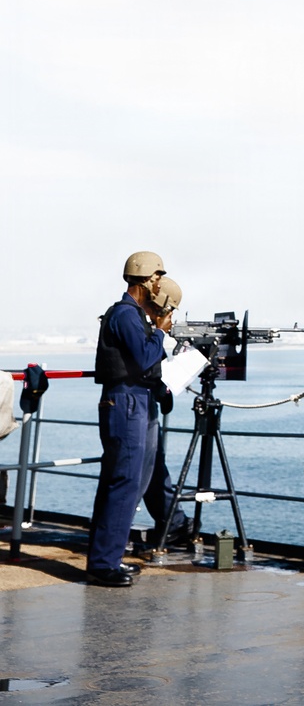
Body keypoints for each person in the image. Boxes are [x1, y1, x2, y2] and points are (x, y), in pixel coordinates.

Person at [87, 250, 170, 587]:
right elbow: (143, 356)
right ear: (144, 279)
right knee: (122, 482)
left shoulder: (131, 315)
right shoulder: (124, 314)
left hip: (136, 399)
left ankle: (109, 557)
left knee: (128, 482)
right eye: (157, 278)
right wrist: (161, 333)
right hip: (126, 403)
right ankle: (104, 564)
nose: (159, 284)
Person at [141, 277, 193, 549]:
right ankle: (174, 522)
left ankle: (174, 522)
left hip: (143, 406)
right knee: (140, 474)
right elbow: (147, 363)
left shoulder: (138, 322)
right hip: (138, 407)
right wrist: (161, 333)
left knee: (152, 470)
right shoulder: (140, 324)